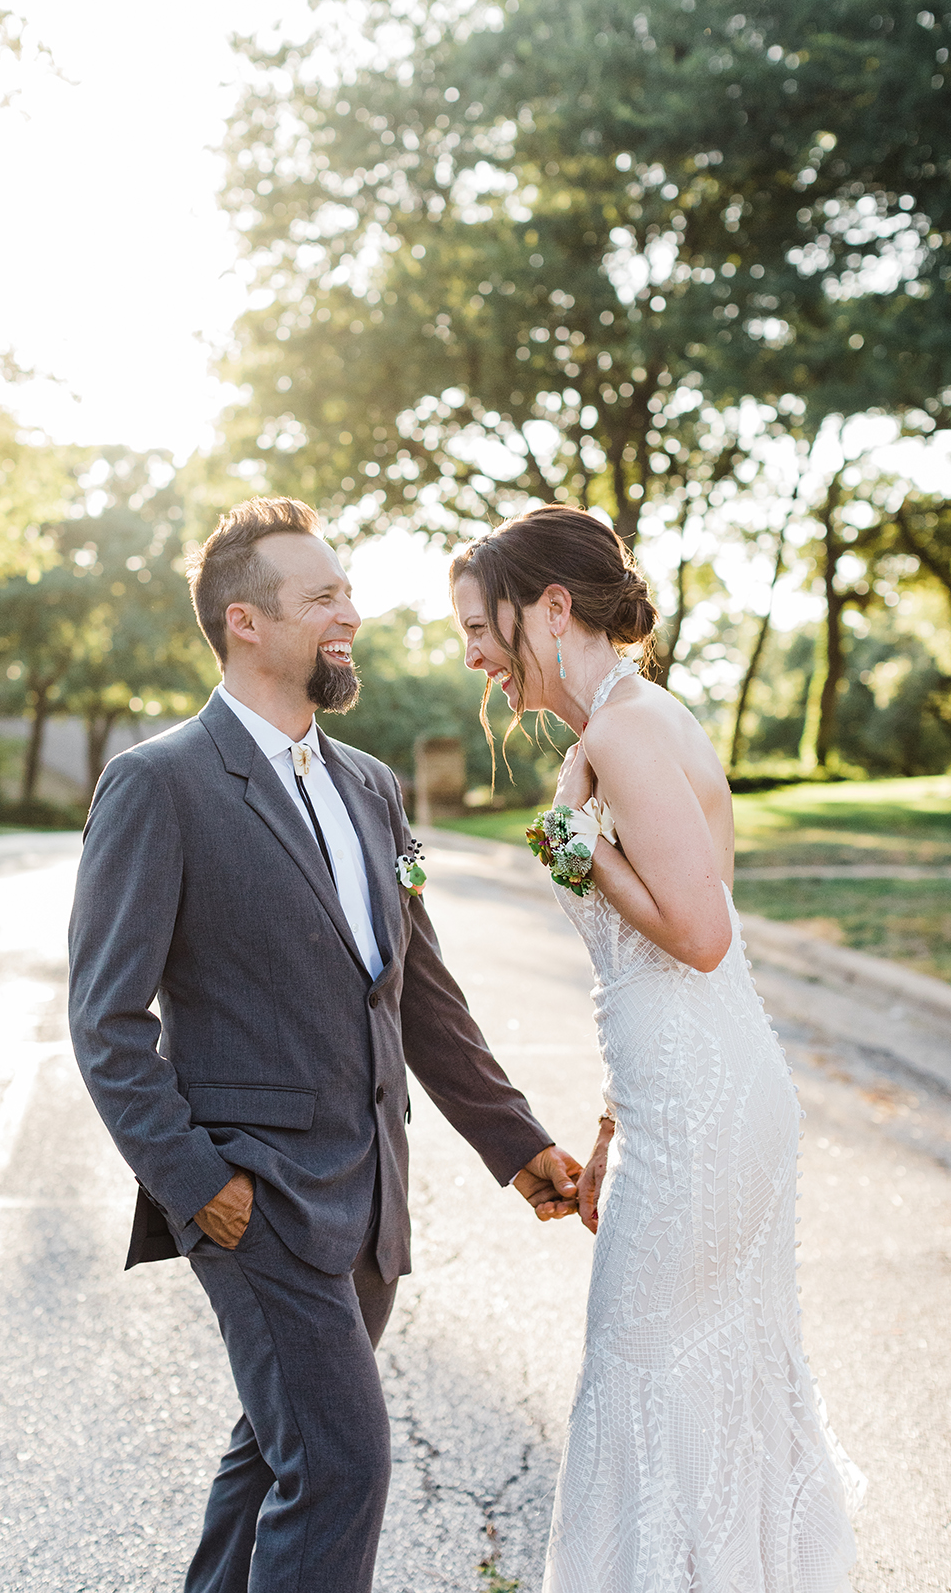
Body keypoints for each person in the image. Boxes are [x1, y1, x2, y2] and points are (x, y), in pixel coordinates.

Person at [68, 495, 582, 1593]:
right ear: (246, 623)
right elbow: (106, 1024)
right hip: (254, 1202)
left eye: (347, 590)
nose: (351, 612)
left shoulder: (372, 788)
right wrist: (199, 1183)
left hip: (370, 1198)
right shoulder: (159, 785)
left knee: (276, 1457)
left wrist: (516, 1143)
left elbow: (420, 994)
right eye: (324, 597)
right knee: (342, 1464)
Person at [451, 504, 865, 1593]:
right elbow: (653, 980)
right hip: (688, 1094)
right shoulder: (626, 724)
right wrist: (608, 1126)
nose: (474, 656)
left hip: (707, 1110)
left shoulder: (624, 729)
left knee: (641, 1374)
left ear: (550, 605)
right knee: (700, 1378)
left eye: (478, 626)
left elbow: (702, 932)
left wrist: (582, 858)